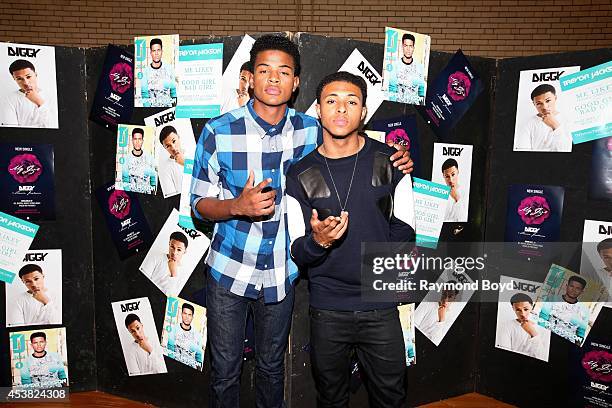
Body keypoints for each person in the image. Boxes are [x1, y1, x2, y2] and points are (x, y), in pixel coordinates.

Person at [190, 34, 413, 408]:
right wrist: (236, 206)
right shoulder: (218, 131)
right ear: (250, 77)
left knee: (272, 367)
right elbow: (198, 204)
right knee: (225, 370)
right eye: (264, 70)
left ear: (295, 83)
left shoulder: (313, 128)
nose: (273, 79)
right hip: (229, 270)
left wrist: (397, 157)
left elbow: (352, 141)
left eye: (283, 72)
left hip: (282, 271)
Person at [286, 71, 416, 407]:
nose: (341, 109)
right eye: (332, 101)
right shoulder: (300, 173)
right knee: (331, 398)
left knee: (391, 397)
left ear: (363, 112)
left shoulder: (390, 162)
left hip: (381, 307)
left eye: (351, 102)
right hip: (328, 308)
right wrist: (319, 241)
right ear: (318, 109)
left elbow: (406, 231)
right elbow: (297, 249)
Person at [1, 59, 55, 128]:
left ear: (35, 75)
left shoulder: (51, 96)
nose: (26, 83)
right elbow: (11, 130)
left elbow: (54, 126)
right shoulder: (9, 99)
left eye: (28, 77)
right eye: (19, 79)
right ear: (14, 78)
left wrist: (40, 102)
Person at [518, 84, 572, 152]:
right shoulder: (528, 123)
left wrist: (555, 126)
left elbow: (567, 150)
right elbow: (523, 152)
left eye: (548, 101)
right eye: (539, 103)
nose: (545, 107)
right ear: (534, 104)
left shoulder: (568, 120)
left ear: (555, 98)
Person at [496, 293, 549, 361]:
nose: (523, 314)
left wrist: (533, 333)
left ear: (532, 307)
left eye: (526, 309)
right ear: (513, 309)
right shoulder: (506, 326)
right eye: (518, 310)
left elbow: (543, 357)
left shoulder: (545, 328)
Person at [545, 275, 590, 344]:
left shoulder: (584, 311)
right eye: (571, 286)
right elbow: (542, 320)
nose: (573, 290)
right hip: (546, 339)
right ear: (566, 286)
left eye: (578, 288)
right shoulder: (551, 299)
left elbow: (580, 334)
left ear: (582, 291)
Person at [142, 231, 188, 296]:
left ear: (185, 251)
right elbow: (142, 280)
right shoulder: (155, 257)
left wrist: (173, 274)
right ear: (169, 244)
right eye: (172, 247)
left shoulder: (184, 274)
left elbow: (171, 297)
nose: (174, 252)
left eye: (179, 249)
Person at [140, 38, 177, 107]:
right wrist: (147, 110)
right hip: (151, 111)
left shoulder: (169, 68)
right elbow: (144, 94)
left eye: (158, 50)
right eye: (154, 51)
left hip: (167, 110)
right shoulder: (145, 71)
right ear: (151, 53)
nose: (156, 53)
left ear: (162, 51)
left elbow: (173, 91)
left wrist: (174, 108)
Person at [166, 302, 203, 369]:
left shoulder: (197, 335)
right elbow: (170, 350)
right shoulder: (174, 330)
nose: (187, 317)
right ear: (181, 314)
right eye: (185, 313)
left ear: (192, 317)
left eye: (189, 315)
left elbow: (199, 355)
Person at [122, 127, 156, 194]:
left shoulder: (149, 157)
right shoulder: (127, 159)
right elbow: (125, 181)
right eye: (135, 139)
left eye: (139, 139)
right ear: (132, 140)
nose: (137, 142)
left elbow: (153, 178)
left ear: (142, 140)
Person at [395, 33, 425, 105]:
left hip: (414, 107)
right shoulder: (396, 66)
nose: (408, 49)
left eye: (410, 46)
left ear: (413, 48)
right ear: (402, 47)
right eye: (405, 46)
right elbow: (392, 90)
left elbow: (421, 91)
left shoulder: (419, 67)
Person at [158, 125, 184, 196]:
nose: (173, 148)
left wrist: (184, 163)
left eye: (174, 141)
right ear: (164, 148)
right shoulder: (165, 169)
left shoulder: (194, 152)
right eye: (168, 146)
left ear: (178, 137)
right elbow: (172, 197)